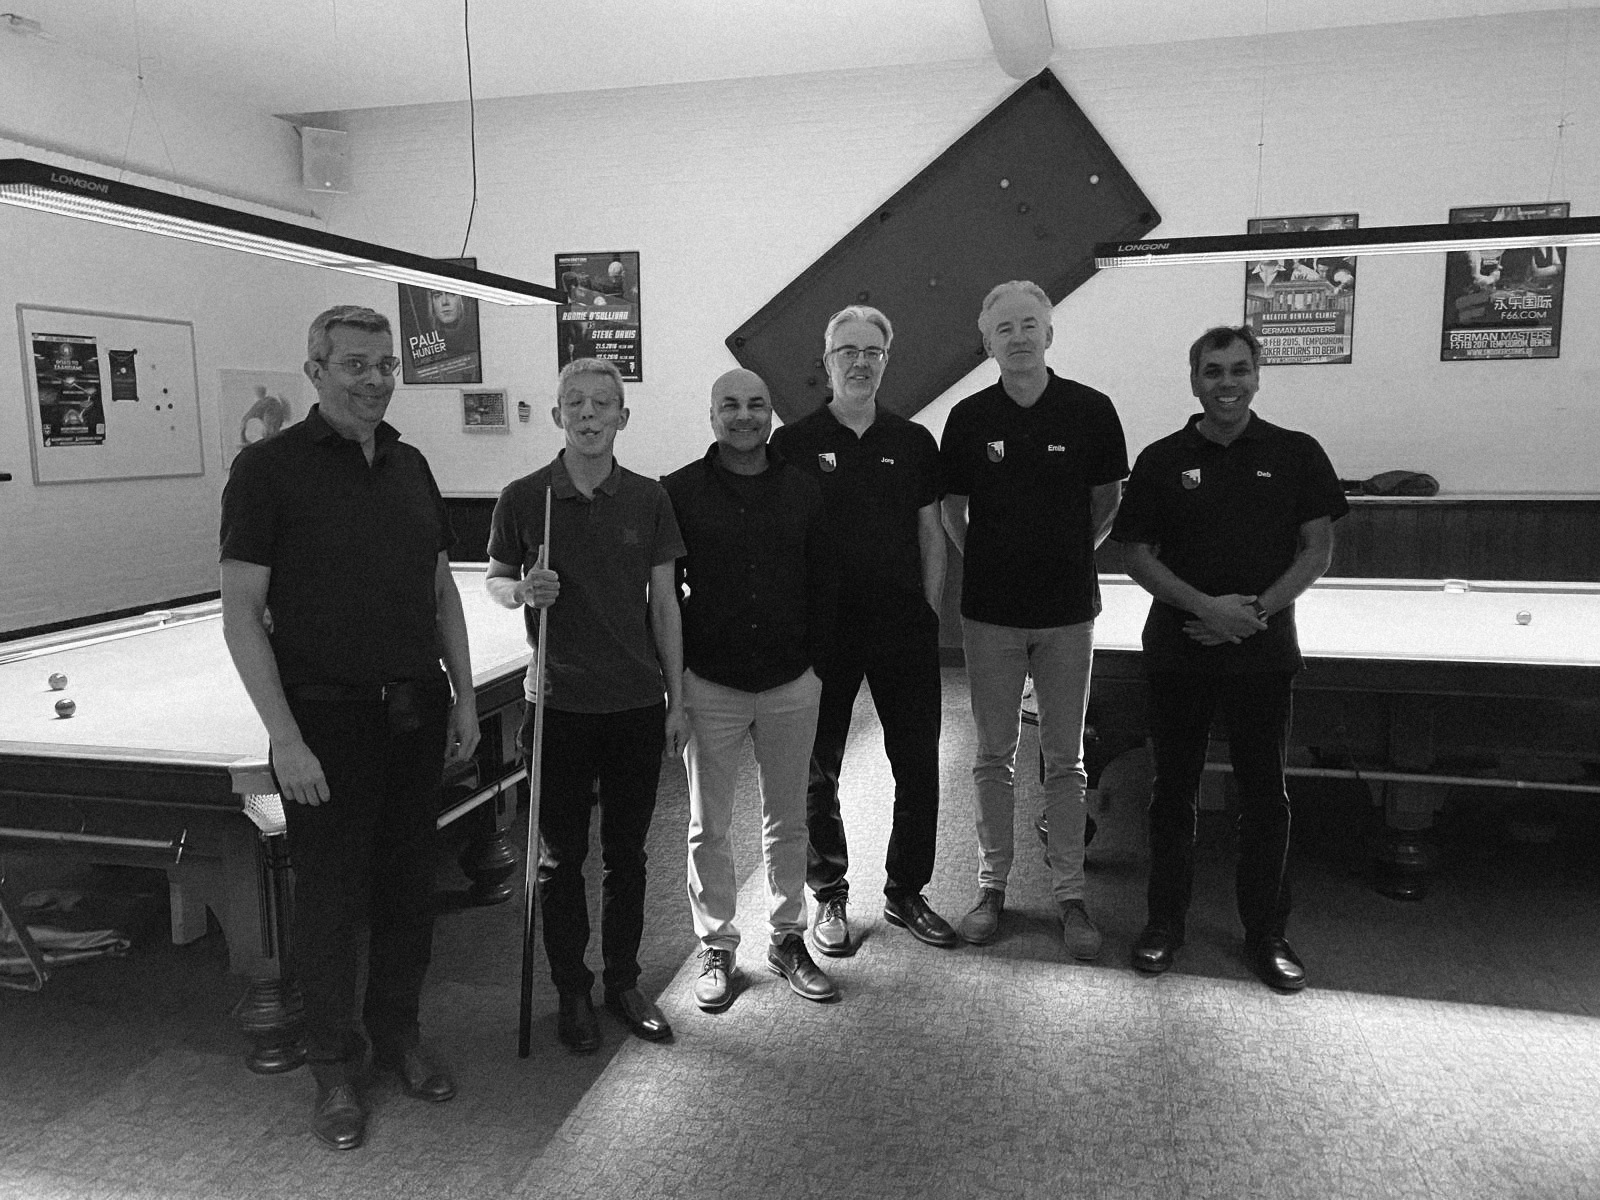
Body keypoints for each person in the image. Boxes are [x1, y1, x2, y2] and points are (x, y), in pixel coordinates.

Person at [220, 305, 478, 1151]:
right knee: (329, 902)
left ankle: (398, 1034)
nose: (375, 380)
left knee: (408, 889)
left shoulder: (410, 463)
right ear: (316, 370)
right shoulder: (267, 470)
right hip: (324, 722)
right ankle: (333, 1067)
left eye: (385, 365)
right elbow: (241, 613)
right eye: (357, 364)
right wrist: (284, 738)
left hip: (415, 710)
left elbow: (440, 590)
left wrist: (464, 697)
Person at [1110, 325, 1348, 991]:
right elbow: (1136, 556)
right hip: (1179, 651)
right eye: (1213, 371)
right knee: (1171, 794)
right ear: (1194, 381)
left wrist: (1255, 613)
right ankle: (1164, 924)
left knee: (1265, 797)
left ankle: (1267, 933)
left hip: (1263, 655)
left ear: (1257, 376)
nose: (1227, 383)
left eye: (1239, 370)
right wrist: (1206, 610)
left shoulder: (1297, 453)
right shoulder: (1160, 459)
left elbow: (1317, 550)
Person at [485, 357, 686, 1052]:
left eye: (603, 404)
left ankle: (623, 981)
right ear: (558, 415)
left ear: (623, 417)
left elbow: (665, 604)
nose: (590, 414)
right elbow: (496, 578)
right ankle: (570, 988)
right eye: (576, 403)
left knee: (628, 856)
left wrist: (677, 699)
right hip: (557, 705)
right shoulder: (524, 496)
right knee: (558, 858)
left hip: (633, 701)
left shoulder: (650, 499)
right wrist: (521, 592)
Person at [939, 281, 1128, 958]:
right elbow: (951, 510)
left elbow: (1107, 501)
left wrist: (1069, 554)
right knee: (993, 756)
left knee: (1066, 760)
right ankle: (991, 887)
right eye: (1004, 329)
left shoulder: (1090, 410)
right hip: (990, 615)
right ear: (987, 342)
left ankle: (1070, 896)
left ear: (1049, 334)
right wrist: (991, 560)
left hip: (1068, 613)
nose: (1017, 338)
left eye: (1029, 325)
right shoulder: (967, 418)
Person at [768, 304, 956, 956]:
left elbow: (932, 535)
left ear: (886, 361)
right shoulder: (792, 444)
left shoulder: (914, 441)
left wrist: (928, 612)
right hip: (822, 635)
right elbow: (781, 542)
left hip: (903, 628)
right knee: (818, 770)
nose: (860, 362)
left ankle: (907, 891)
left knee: (917, 764)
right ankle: (829, 892)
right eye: (847, 351)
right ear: (826, 362)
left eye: (872, 352)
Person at [662, 368, 839, 1011]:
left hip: (792, 679)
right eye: (730, 405)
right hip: (710, 681)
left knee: (789, 820)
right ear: (711, 414)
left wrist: (817, 666)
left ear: (771, 414)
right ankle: (717, 944)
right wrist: (675, 686)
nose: (744, 416)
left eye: (756, 404)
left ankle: (788, 938)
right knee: (707, 826)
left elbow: (826, 581)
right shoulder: (678, 492)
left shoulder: (804, 489)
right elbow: (664, 596)